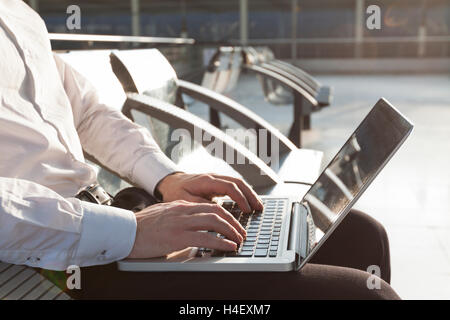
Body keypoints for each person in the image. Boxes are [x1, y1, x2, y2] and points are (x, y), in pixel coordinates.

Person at [0, 0, 399, 299]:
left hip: (102, 218)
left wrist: (167, 180)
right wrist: (131, 231)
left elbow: (86, 112)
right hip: (47, 264)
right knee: (365, 295)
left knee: (360, 236)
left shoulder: (19, 13)